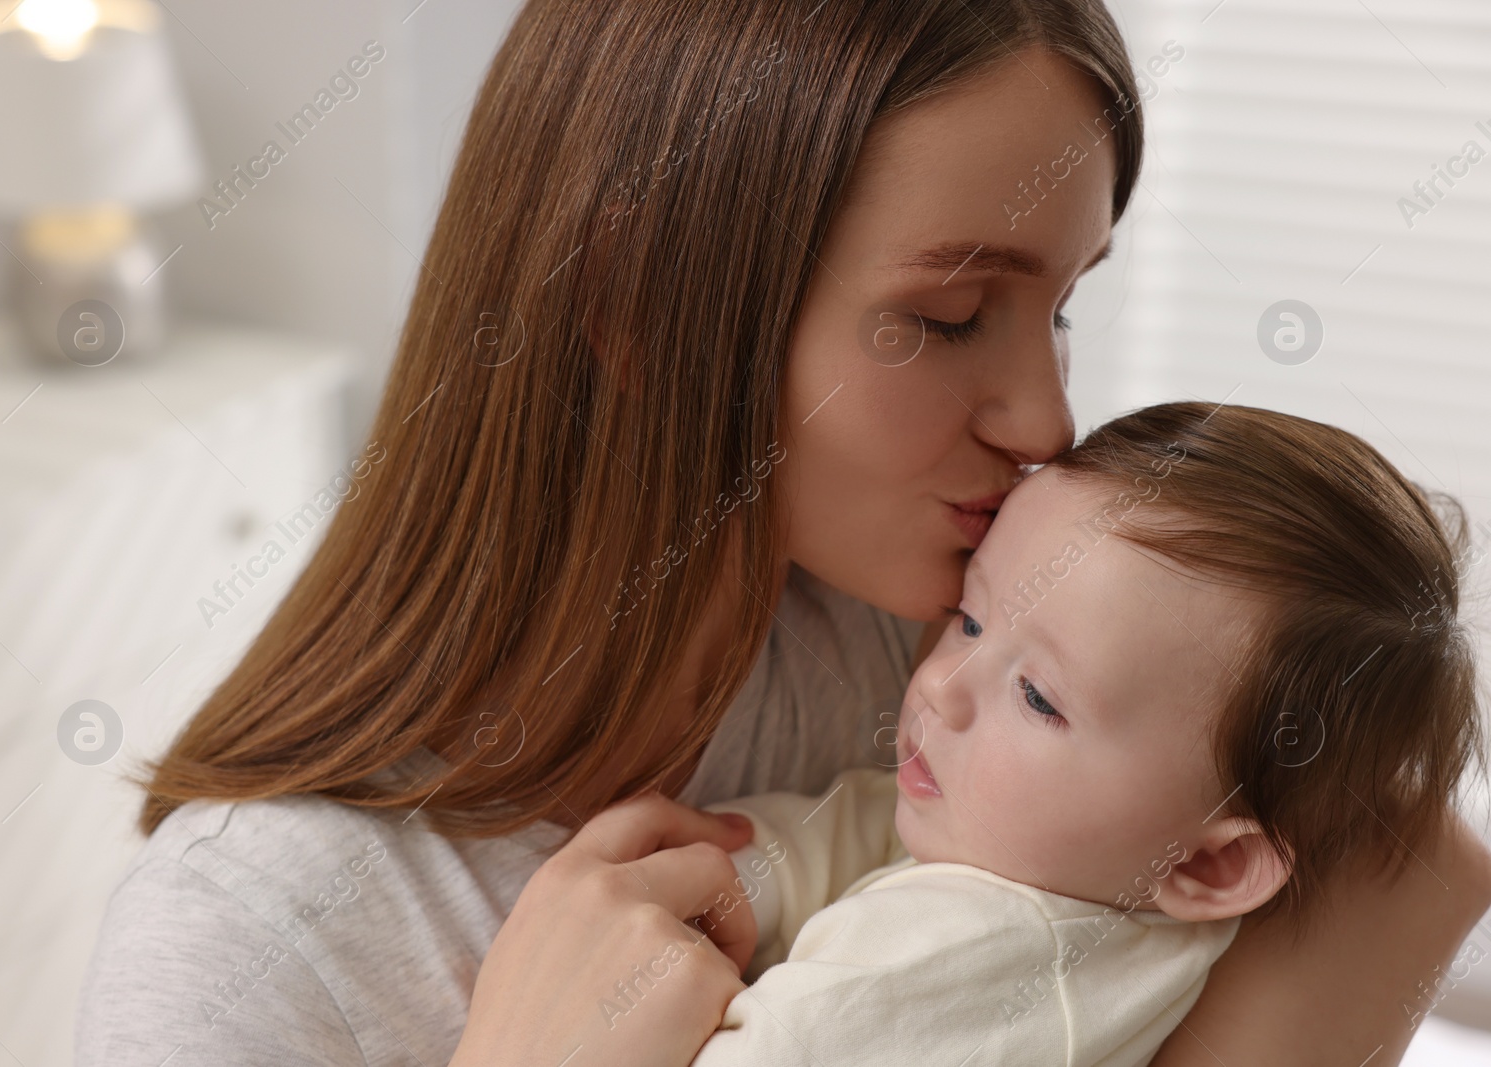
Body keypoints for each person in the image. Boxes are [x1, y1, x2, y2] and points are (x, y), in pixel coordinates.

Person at [73, 2, 1491, 1066]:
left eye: (1060, 308)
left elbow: (1414, 852)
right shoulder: (243, 950)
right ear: (635, 307)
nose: (1048, 418)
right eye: (947, 319)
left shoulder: (928, 630)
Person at [677, 402, 1484, 1065]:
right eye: (970, 618)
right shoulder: (1040, 853)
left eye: (1036, 696)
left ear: (1211, 861)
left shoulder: (982, 957)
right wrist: (742, 869)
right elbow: (858, 829)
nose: (941, 687)